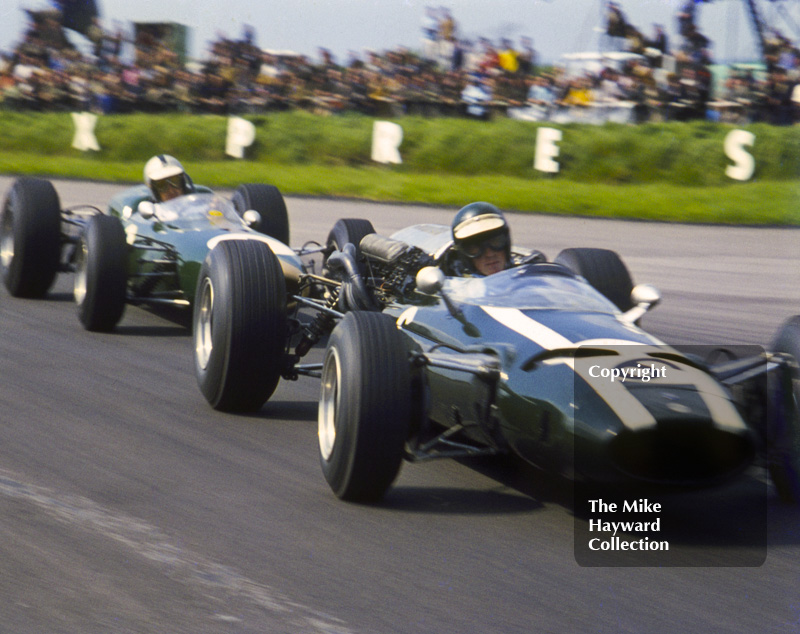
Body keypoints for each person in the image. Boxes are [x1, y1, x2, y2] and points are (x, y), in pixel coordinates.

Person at [448, 202, 512, 276]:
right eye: (475, 247)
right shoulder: (455, 285)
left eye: (495, 242)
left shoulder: (524, 275)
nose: (489, 254)